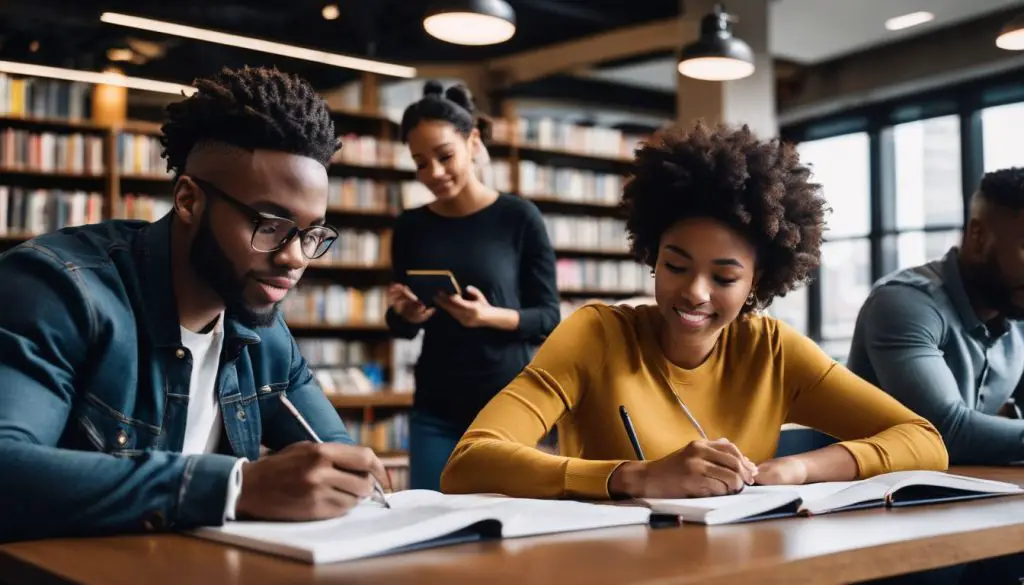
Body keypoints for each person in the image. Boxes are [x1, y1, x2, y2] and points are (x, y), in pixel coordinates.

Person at [440, 121, 948, 501]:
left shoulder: (771, 351)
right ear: (652, 256)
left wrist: (799, 469)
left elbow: (924, 441)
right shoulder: (596, 336)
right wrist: (634, 476)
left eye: (725, 278)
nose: (695, 293)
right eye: (675, 265)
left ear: (757, 283)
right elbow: (467, 463)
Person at [0, 66, 388, 543]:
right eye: (270, 225)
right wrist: (234, 488)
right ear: (188, 199)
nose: (294, 258)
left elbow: (338, 459)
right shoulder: (56, 289)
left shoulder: (262, 331)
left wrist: (341, 478)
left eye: (312, 235)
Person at [385, 81, 560, 491]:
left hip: (509, 401)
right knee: (430, 515)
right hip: (436, 403)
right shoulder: (410, 226)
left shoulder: (519, 218)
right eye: (420, 163)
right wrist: (406, 314)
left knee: (507, 524)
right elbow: (401, 325)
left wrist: (489, 316)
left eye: (444, 156)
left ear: (473, 141)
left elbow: (549, 316)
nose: (435, 173)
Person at [846, 168, 1024, 465]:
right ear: (979, 236)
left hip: (969, 493)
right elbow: (944, 431)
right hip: (871, 499)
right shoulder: (903, 303)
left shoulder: (1016, 307)